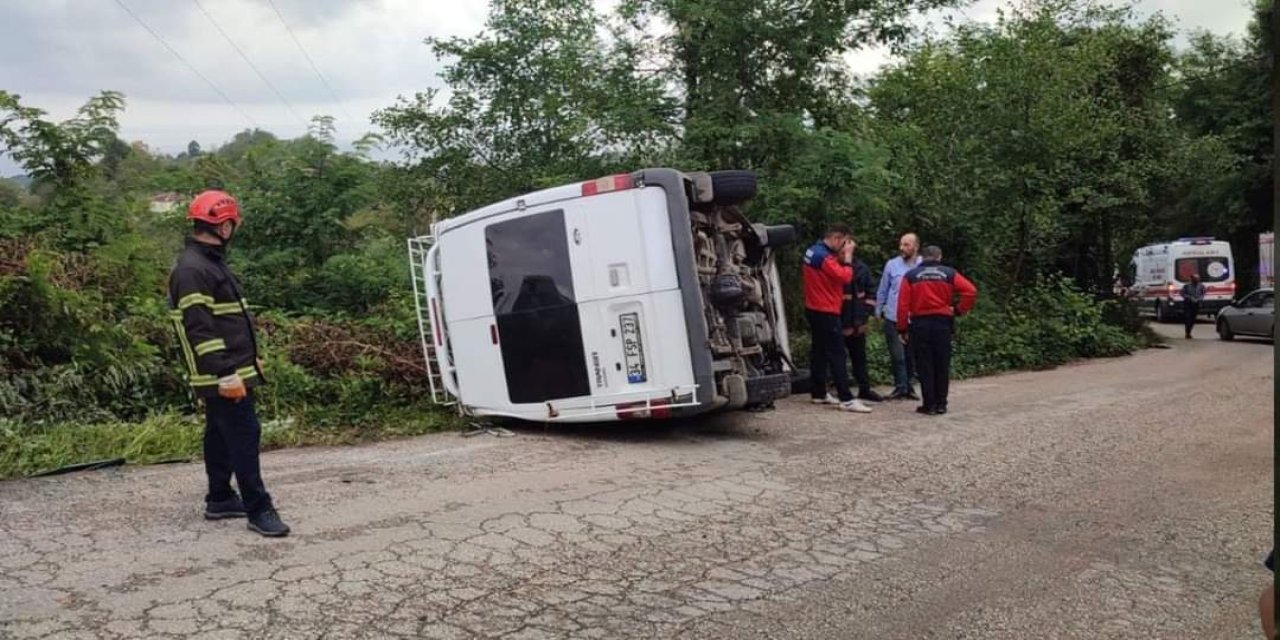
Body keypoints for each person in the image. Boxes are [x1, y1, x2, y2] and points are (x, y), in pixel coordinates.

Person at [168, 190, 290, 537]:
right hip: (222, 370)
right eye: (232, 224)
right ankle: (259, 509)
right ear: (223, 226)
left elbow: (230, 319)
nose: (233, 229)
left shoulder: (210, 263)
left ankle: (220, 498)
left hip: (234, 365)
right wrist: (224, 374)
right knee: (244, 433)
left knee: (220, 435)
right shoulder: (194, 269)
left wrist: (253, 358)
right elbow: (199, 328)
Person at [897, 245, 978, 416]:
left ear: (922, 257)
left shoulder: (911, 276)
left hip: (920, 324)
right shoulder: (948, 273)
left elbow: (903, 305)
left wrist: (902, 328)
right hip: (942, 322)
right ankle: (942, 404)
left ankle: (929, 405)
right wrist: (958, 310)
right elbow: (970, 291)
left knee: (925, 364)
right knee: (942, 363)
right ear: (939, 257)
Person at [804, 224, 872, 413]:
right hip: (826, 309)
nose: (844, 247)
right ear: (835, 238)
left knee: (819, 351)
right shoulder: (824, 257)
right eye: (843, 243)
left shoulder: (812, 250)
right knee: (837, 353)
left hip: (813, 307)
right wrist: (848, 258)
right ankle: (846, 398)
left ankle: (818, 391)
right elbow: (845, 277)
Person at [876, 233, 922, 400]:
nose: (902, 248)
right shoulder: (892, 265)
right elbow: (883, 288)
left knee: (911, 355)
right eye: (901, 244)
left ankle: (909, 386)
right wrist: (878, 310)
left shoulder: (922, 265)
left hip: (914, 318)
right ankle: (900, 386)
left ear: (915, 247)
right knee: (898, 355)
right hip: (893, 316)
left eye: (906, 245)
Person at [841, 237, 884, 403]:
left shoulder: (861, 269)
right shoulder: (835, 268)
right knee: (838, 358)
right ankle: (842, 390)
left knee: (860, 358)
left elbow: (871, 294)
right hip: (840, 322)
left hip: (858, 321)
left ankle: (864, 389)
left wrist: (864, 317)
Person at [1181, 274, 1206, 339]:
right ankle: (1187, 333)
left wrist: (1199, 299)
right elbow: (1182, 293)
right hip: (1188, 304)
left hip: (1196, 304)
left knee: (1193, 319)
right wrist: (1190, 298)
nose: (1197, 280)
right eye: (1195, 279)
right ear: (1192, 279)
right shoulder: (1186, 286)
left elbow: (1203, 294)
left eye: (1198, 279)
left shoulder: (1201, 286)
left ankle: (1189, 331)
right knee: (1188, 319)